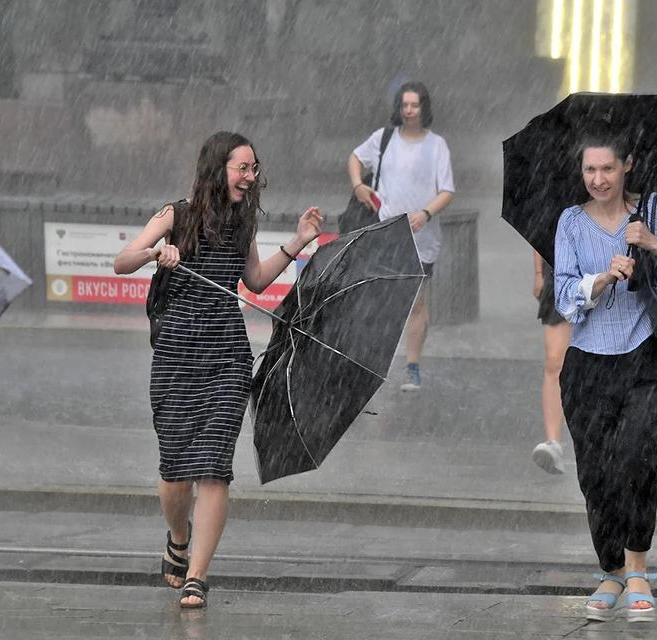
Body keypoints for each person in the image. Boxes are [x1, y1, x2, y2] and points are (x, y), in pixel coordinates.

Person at [114, 131, 322, 609]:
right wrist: (154, 253)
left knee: (214, 469)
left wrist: (297, 242)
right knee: (174, 471)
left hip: (228, 355)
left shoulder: (242, 225)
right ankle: (177, 539)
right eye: (242, 168)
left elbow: (253, 280)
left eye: (254, 170)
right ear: (217, 168)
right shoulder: (176, 215)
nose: (250, 178)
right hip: (175, 357)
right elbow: (121, 261)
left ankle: (198, 577)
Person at [554, 124, 657, 624]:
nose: (598, 179)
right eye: (590, 169)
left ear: (628, 166)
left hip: (649, 359)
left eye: (608, 168)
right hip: (587, 366)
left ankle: (638, 567)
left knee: (634, 455)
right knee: (595, 472)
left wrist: (655, 244)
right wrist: (600, 279)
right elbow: (563, 298)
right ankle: (611, 570)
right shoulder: (571, 223)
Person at [348, 81, 455, 392]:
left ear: (424, 108)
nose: (409, 111)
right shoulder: (383, 139)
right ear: (398, 107)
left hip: (422, 238)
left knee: (416, 303)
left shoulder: (437, 146)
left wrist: (426, 213)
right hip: (385, 231)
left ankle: (412, 366)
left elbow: (447, 190)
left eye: (415, 105)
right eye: (405, 105)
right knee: (378, 300)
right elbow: (355, 158)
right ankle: (371, 363)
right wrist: (358, 185)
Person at [531, 250, 571, 474]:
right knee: (555, 361)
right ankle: (553, 443)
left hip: (608, 270)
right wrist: (539, 273)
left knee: (602, 360)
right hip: (560, 271)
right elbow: (541, 226)